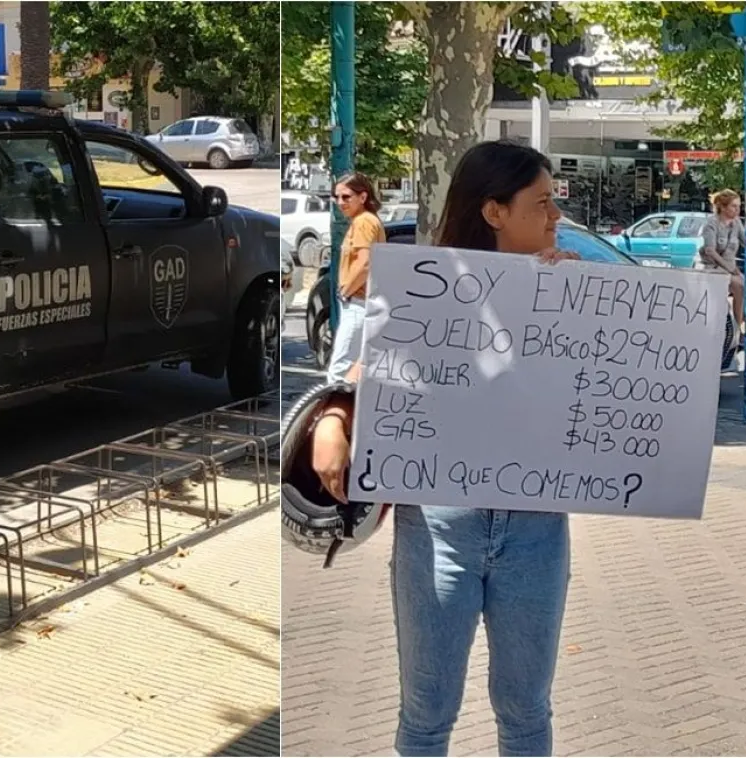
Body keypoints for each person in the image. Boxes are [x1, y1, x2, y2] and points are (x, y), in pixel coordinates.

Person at [310, 141, 579, 757]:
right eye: (541, 204)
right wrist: (330, 419)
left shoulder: (568, 292)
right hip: (438, 526)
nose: (554, 217)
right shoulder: (425, 288)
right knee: (428, 714)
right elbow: (361, 372)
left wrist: (569, 313)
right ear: (494, 212)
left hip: (536, 531)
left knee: (526, 712)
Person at [326, 172, 386, 383]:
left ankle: (335, 414)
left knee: (340, 372)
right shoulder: (365, 221)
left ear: (363, 197)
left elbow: (365, 262)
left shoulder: (363, 222)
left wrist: (346, 291)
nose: (340, 202)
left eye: (346, 197)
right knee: (356, 369)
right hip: (360, 301)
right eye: (337, 197)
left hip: (358, 301)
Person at [700, 189, 746, 342]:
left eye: (739, 206)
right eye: (734, 206)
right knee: (740, 287)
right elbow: (710, 251)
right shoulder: (711, 224)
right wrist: (729, 268)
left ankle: (736, 326)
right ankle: (737, 331)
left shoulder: (736, 223)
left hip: (731, 270)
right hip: (713, 269)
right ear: (723, 206)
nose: (737, 209)